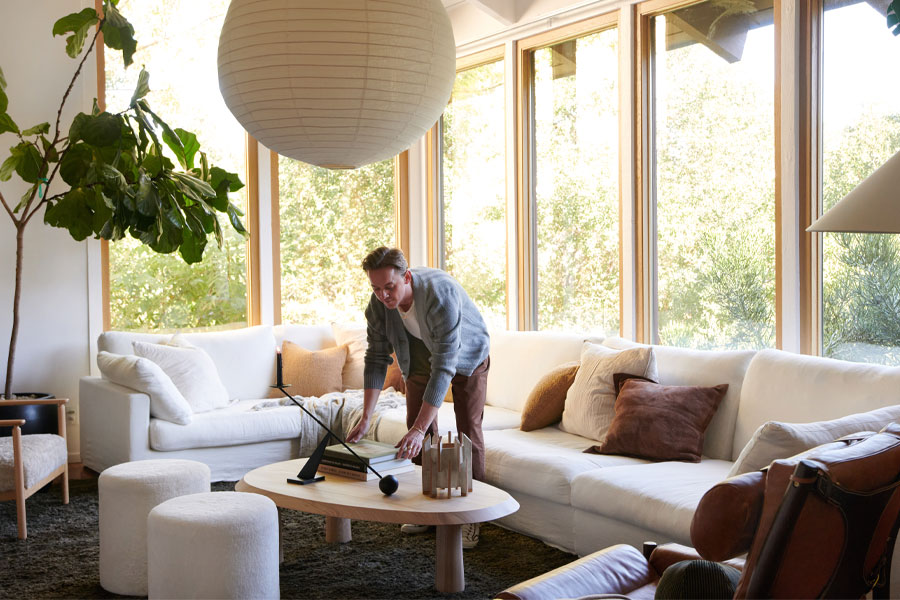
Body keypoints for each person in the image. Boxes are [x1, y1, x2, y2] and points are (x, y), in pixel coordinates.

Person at [346, 246, 490, 548]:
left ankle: (470, 517)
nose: (383, 295)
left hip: (467, 356)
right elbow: (375, 359)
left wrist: (418, 429)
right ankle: (429, 508)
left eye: (389, 287)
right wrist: (366, 416)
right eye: (376, 288)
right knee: (417, 427)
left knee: (467, 433)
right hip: (419, 356)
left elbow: (445, 367)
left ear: (406, 277)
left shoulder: (440, 294)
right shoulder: (377, 306)